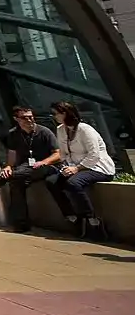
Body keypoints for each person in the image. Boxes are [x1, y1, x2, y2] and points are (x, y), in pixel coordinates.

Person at [47, 100, 116, 239]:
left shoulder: (85, 129)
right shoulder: (61, 129)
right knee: (51, 181)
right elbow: (63, 153)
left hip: (97, 167)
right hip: (75, 167)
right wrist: (67, 166)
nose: (53, 116)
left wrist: (76, 168)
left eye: (55, 113)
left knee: (73, 183)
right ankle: (71, 216)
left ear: (64, 113)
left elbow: (94, 155)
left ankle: (92, 220)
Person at [0, 106, 60, 233]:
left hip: (46, 166)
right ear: (16, 119)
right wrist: (8, 167)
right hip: (25, 168)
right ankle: (21, 223)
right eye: (24, 118)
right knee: (16, 183)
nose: (29, 120)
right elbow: (12, 156)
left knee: (17, 177)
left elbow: (57, 154)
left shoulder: (44, 132)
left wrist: (43, 162)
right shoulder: (13, 134)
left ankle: (6, 178)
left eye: (31, 117)